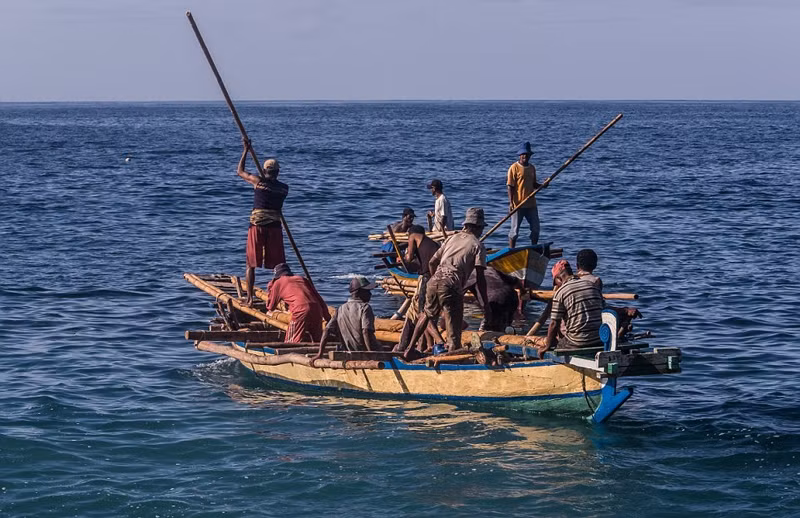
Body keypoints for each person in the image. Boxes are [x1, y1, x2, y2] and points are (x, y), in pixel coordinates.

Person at [404, 208, 490, 354]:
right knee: (454, 327)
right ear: (477, 228)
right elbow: (480, 278)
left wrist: (436, 279)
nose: (482, 232)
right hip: (451, 284)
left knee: (426, 314)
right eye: (481, 228)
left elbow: (432, 262)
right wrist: (485, 304)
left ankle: (409, 349)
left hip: (434, 281)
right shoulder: (477, 245)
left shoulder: (452, 238)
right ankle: (451, 353)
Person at [237, 140, 289, 306]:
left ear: (265, 171)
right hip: (274, 228)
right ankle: (282, 299)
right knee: (279, 264)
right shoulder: (284, 189)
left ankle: (250, 299)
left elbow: (240, 171)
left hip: (257, 227)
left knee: (250, 264)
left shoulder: (258, 182)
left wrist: (245, 151)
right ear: (278, 172)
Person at [539, 259, 605, 355]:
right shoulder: (592, 285)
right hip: (599, 338)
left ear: (559, 278)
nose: (557, 286)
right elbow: (603, 310)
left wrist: (547, 346)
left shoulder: (561, 292)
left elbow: (554, 323)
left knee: (556, 345)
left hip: (578, 342)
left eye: (556, 282)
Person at [396, 225, 441, 352]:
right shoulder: (433, 244)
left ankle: (439, 342)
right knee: (429, 313)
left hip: (427, 278)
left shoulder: (413, 236)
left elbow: (409, 258)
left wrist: (402, 258)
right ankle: (429, 345)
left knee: (422, 314)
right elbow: (421, 263)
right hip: (438, 278)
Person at [313, 275, 380, 360]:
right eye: (367, 291)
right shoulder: (365, 308)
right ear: (358, 293)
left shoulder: (341, 308)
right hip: (364, 351)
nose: (370, 294)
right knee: (390, 348)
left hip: (349, 351)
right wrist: (370, 354)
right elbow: (365, 331)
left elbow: (327, 330)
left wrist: (320, 354)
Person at [265, 263, 330, 343]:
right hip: (317, 309)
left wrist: (270, 288)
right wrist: (327, 317)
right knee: (318, 341)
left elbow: (270, 307)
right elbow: (319, 299)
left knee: (291, 342)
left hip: (300, 311)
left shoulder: (278, 283)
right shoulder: (302, 279)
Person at [465, 266, 523, 333]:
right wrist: (523, 290)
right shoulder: (490, 269)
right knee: (506, 325)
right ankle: (509, 332)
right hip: (512, 296)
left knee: (489, 329)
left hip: (495, 300)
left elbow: (459, 294)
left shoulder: (468, 275)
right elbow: (516, 281)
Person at [507, 141, 542, 247]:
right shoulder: (514, 168)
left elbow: (534, 184)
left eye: (527, 154)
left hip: (531, 204)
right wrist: (511, 203)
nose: (525, 156)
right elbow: (510, 186)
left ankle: (534, 248)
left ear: (530, 155)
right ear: (520, 155)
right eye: (523, 154)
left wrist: (543, 185)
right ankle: (511, 250)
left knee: (536, 229)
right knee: (514, 231)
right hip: (518, 204)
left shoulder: (532, 168)